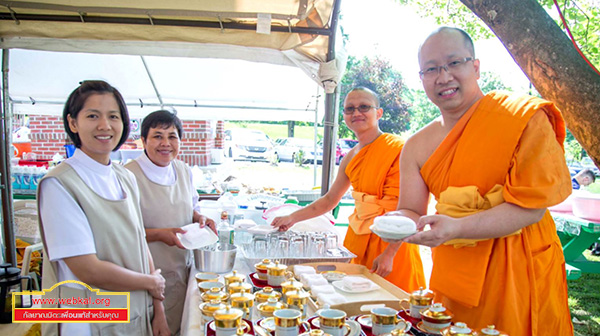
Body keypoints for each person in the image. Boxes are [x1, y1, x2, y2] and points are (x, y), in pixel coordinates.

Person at [388, 27, 573, 335]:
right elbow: (410, 208)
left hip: (519, 266)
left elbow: (532, 207)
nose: (443, 77)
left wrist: (457, 228)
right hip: (455, 269)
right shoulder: (417, 145)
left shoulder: (521, 118)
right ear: (422, 78)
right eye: (431, 69)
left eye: (454, 63)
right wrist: (396, 221)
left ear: (475, 66)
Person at [38, 80, 169, 336]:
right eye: (92, 116)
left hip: (134, 313)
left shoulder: (124, 177)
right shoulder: (59, 184)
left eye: (113, 116)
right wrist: (151, 283)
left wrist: (158, 309)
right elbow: (87, 268)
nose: (104, 126)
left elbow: (139, 243)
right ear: (73, 123)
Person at [271, 87, 425, 292]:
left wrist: (390, 253)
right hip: (357, 237)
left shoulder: (398, 149)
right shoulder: (350, 157)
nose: (356, 113)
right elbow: (329, 200)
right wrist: (293, 217)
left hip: (392, 241)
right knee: (355, 295)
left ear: (378, 113)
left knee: (393, 302)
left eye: (364, 107)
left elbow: (408, 210)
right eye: (349, 109)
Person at [125, 110, 216, 335]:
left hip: (180, 273)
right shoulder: (128, 176)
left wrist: (200, 218)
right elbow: (121, 232)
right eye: (157, 136)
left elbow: (190, 207)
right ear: (143, 140)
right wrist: (159, 234)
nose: (165, 143)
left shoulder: (183, 170)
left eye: (172, 136)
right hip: (145, 277)